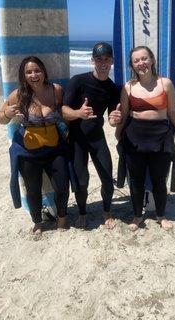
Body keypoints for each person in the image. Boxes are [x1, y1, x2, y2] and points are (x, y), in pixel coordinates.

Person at [0, 56, 70, 236]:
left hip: (55, 148)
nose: (33, 75)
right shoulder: (18, 95)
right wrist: (6, 113)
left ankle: (62, 218)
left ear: (44, 72)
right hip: (28, 151)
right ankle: (37, 222)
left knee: (62, 185)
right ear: (24, 76)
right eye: (28, 72)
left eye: (37, 70)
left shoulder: (56, 90)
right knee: (33, 189)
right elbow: (0, 118)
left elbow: (64, 112)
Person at [116, 46, 175, 231]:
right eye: (136, 61)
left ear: (152, 60)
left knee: (159, 180)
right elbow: (125, 113)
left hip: (160, 135)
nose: (141, 63)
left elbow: (172, 110)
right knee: (136, 180)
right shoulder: (128, 87)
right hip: (134, 136)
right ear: (132, 65)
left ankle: (161, 215)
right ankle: (137, 216)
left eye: (144, 58)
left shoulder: (165, 83)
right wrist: (117, 131)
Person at [62, 42, 122, 229]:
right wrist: (79, 114)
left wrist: (115, 119)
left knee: (107, 179)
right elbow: (63, 111)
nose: (103, 63)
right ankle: (82, 213)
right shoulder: (78, 81)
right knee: (82, 182)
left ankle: (106, 211)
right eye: (99, 59)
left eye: (106, 59)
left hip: (97, 136)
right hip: (77, 138)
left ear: (112, 60)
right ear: (92, 60)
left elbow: (112, 119)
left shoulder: (113, 88)